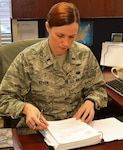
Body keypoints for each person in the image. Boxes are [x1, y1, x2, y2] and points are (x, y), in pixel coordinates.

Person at [0, 2, 108, 134]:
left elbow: (98, 89)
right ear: (48, 27)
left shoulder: (84, 55)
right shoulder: (27, 59)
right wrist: (25, 108)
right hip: (38, 131)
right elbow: (3, 98)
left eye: (72, 36)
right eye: (60, 35)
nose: (66, 43)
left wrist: (91, 101)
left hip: (76, 128)